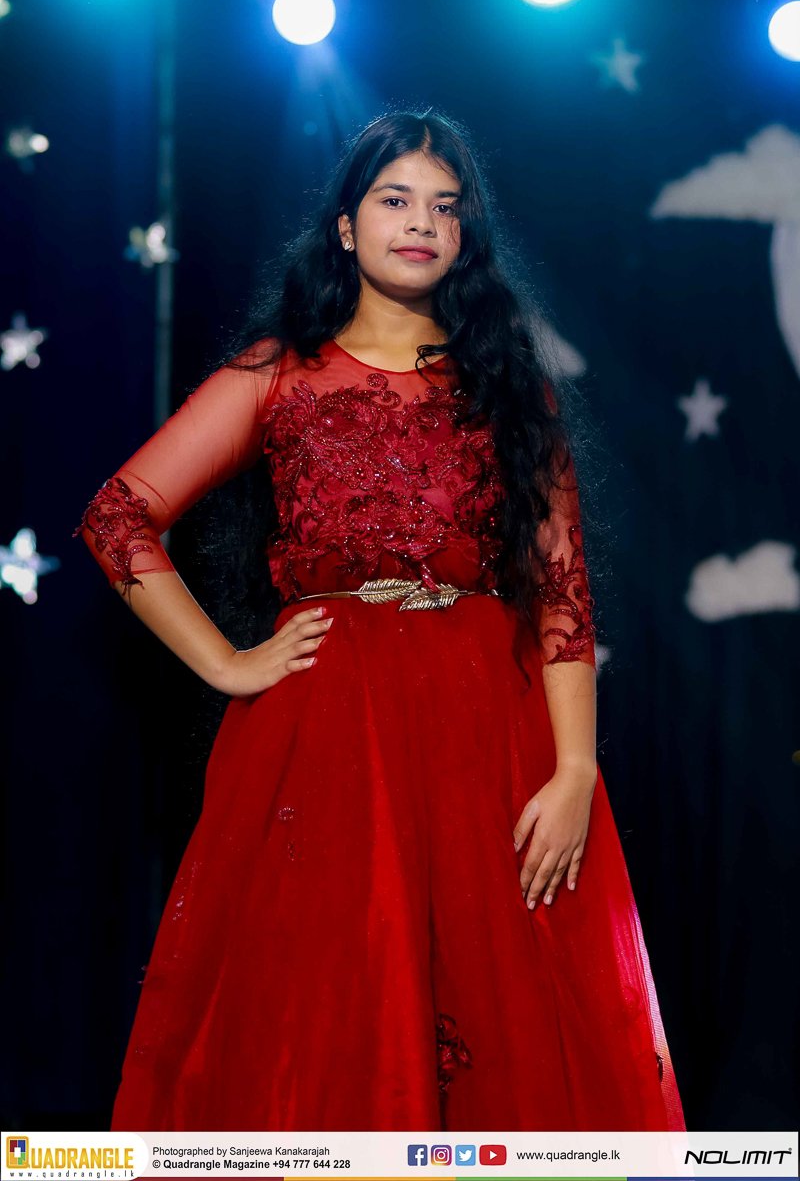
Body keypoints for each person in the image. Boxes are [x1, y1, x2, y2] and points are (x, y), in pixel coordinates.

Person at [73, 109, 686, 1132]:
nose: (420, 224)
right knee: (323, 1010)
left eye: (444, 207)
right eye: (395, 200)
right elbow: (117, 515)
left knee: (506, 1025)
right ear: (346, 227)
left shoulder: (507, 386)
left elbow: (560, 588)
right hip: (326, 741)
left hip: (489, 740)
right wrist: (224, 662)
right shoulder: (281, 373)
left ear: (464, 235)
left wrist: (576, 769)